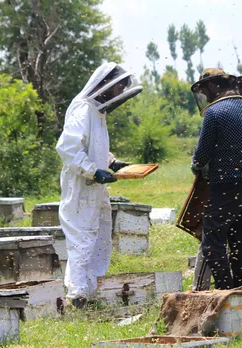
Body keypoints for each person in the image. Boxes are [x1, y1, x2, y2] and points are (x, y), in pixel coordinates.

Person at [56, 62, 143, 308]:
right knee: (82, 236)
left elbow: (92, 147)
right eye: (118, 89)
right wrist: (94, 171)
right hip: (81, 186)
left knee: (99, 234)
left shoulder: (97, 113)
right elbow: (67, 148)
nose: (119, 95)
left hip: (94, 188)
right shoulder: (83, 111)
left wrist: (111, 162)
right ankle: (77, 294)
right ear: (105, 84)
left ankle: (90, 288)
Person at [190, 68, 242, 290]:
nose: (205, 97)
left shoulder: (215, 112)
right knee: (239, 246)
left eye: (206, 91)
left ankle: (226, 291)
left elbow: (201, 155)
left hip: (223, 186)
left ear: (214, 86)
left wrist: (196, 164)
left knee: (212, 244)